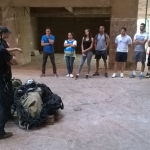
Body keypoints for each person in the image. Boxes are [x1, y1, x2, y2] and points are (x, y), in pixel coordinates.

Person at [0, 28, 19, 139]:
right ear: (2, 34)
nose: (8, 34)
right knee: (5, 106)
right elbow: (15, 62)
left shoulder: (2, 46)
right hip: (3, 80)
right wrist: (11, 59)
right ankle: (1, 132)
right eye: (7, 33)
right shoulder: (2, 49)